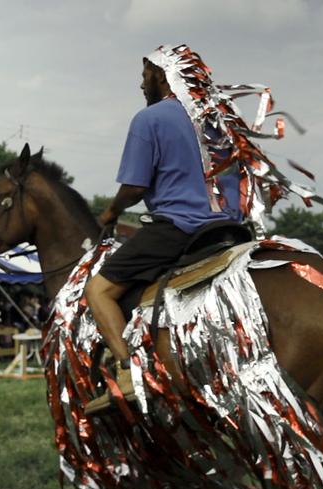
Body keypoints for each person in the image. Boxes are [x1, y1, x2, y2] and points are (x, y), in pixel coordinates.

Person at [83, 51, 240, 415]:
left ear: (162, 75)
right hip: (230, 231)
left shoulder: (149, 119)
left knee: (99, 290)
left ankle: (127, 375)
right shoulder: (217, 124)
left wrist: (109, 212)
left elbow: (135, 187)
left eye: (145, 75)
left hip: (179, 229)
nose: (141, 83)